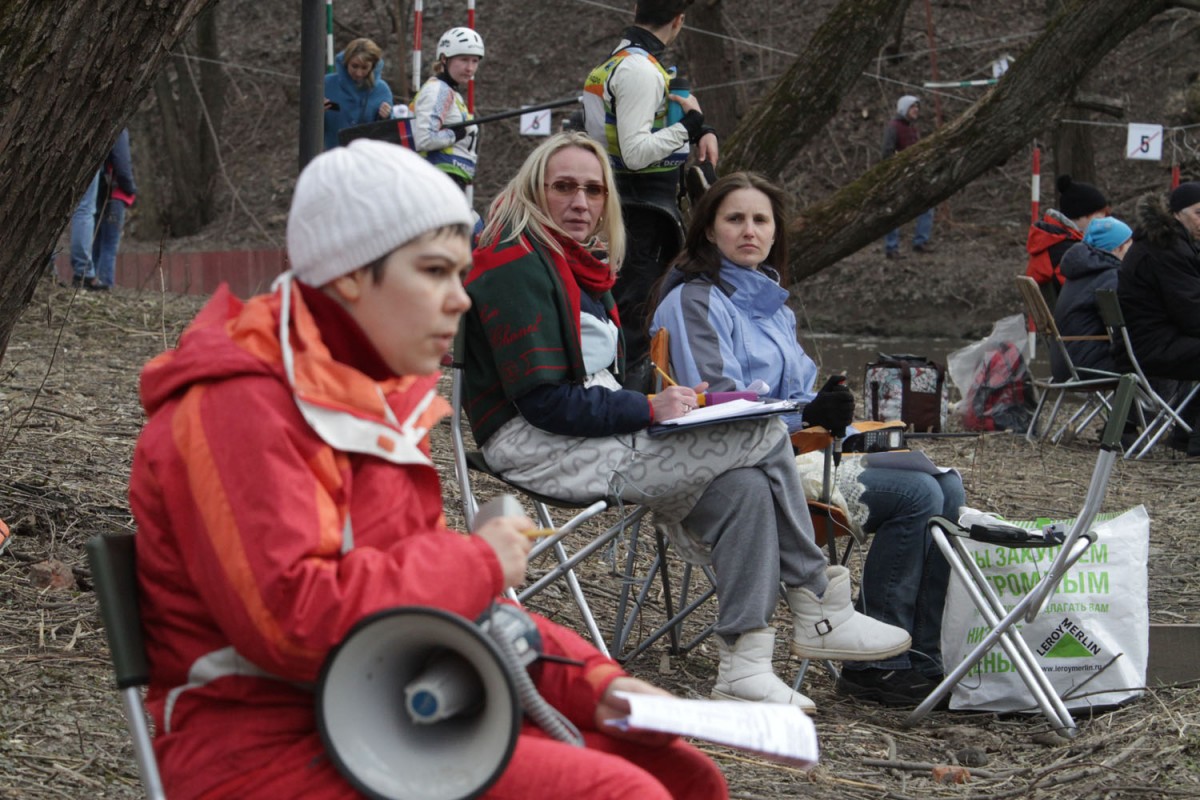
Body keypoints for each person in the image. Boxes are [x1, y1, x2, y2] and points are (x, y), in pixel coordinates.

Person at [129, 139, 727, 800]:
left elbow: (451, 603)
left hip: (388, 713)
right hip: (267, 750)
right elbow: (292, 622)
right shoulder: (242, 408)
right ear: (352, 276)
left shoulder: (366, 396)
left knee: (679, 770)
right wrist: (477, 562)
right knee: (622, 793)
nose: (460, 299)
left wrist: (595, 682)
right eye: (436, 272)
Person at [462, 132, 910, 711]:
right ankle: (819, 600)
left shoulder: (578, 266)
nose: (580, 202)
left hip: (592, 434)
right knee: (761, 429)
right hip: (539, 445)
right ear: (533, 189)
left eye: (594, 190)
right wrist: (649, 408)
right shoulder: (518, 265)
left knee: (746, 485)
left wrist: (668, 404)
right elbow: (544, 401)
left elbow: (596, 384)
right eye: (564, 187)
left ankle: (744, 666)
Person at [650, 172, 964, 706]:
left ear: (775, 232)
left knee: (946, 488)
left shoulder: (774, 306)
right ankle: (873, 667)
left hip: (790, 448)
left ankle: (919, 658)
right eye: (734, 219)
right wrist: (806, 412)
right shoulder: (694, 300)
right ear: (707, 231)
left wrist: (828, 410)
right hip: (730, 462)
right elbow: (719, 404)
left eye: (760, 220)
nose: (749, 230)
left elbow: (794, 397)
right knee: (917, 496)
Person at [582, 0, 719, 388]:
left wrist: (702, 128)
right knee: (635, 317)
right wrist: (690, 126)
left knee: (630, 312)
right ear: (679, 21)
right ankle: (630, 399)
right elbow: (636, 152)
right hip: (641, 211)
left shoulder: (620, 61)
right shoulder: (640, 70)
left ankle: (627, 395)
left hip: (627, 205)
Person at [1118, 181, 1200, 457]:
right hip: (1152, 347)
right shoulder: (1168, 249)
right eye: (1198, 213)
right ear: (1176, 214)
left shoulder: (1160, 243)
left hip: (1140, 343)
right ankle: (1193, 440)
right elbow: (1192, 315)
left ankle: (1185, 435)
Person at [1050, 216, 1132, 382]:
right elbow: (1127, 324)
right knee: (1162, 362)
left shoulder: (1082, 273)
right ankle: (1157, 400)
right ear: (1118, 248)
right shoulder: (1110, 277)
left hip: (1066, 361)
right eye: (1131, 246)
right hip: (1090, 364)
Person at [412, 27, 483, 190]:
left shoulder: (451, 93)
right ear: (444, 59)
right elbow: (425, 139)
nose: (470, 68)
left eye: (475, 61)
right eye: (464, 59)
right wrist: (456, 134)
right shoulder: (438, 90)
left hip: (450, 178)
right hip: (438, 179)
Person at [1026, 174, 1110, 310]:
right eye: (1099, 219)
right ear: (1082, 215)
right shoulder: (1067, 251)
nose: (1102, 224)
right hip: (1073, 319)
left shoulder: (1051, 240)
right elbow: (1080, 292)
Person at [70, 129, 137, 291]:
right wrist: (131, 189)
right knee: (109, 245)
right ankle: (105, 283)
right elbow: (123, 163)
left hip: (100, 194)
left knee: (97, 243)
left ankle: (93, 278)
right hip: (115, 194)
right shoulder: (118, 129)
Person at [881, 95, 934, 261]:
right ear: (904, 109)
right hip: (898, 177)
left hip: (915, 175)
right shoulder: (893, 127)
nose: (916, 110)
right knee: (894, 212)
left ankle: (920, 242)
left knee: (927, 206)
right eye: (912, 107)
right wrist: (896, 170)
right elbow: (887, 153)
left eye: (917, 107)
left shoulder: (913, 129)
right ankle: (891, 248)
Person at [323, 38, 394, 150]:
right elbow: (310, 126)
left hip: (368, 156)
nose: (359, 73)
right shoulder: (327, 84)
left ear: (373, 66)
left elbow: (388, 134)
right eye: (354, 66)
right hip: (334, 154)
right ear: (346, 62)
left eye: (365, 67)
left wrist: (386, 117)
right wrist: (317, 113)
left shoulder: (382, 90)